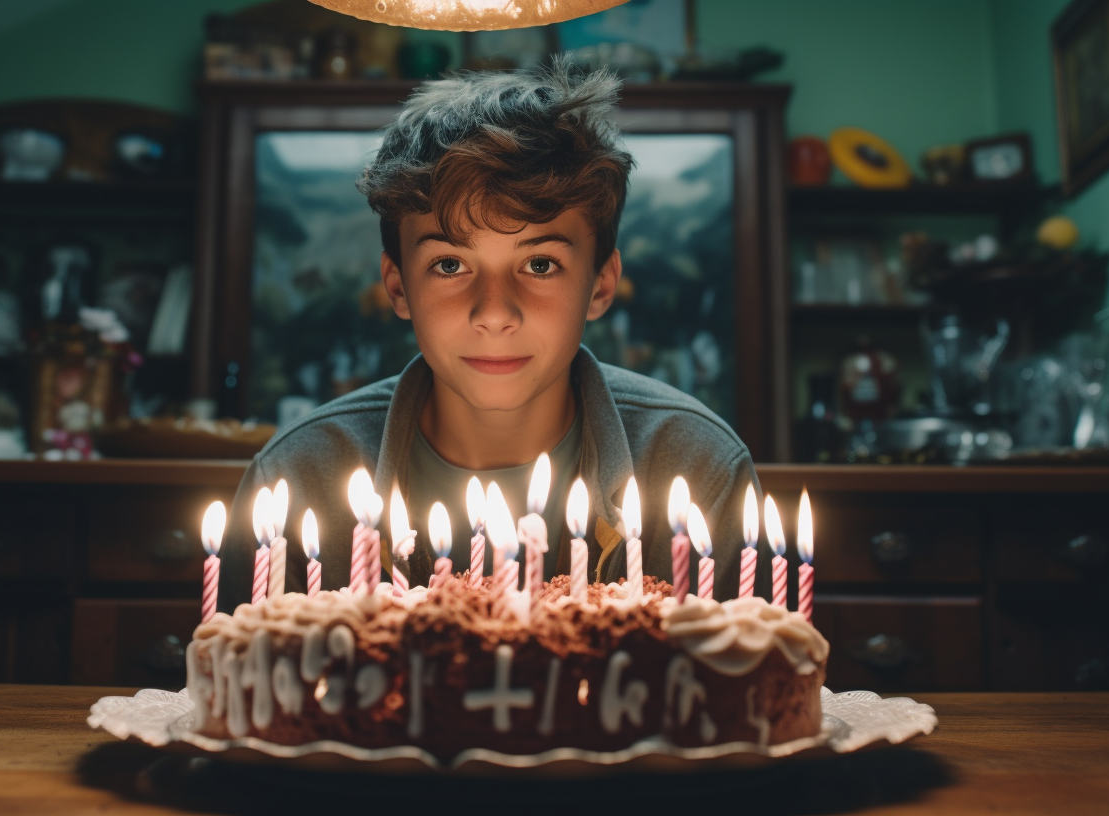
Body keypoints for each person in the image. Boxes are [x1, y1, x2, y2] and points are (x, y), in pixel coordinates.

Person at [217, 61, 761, 609]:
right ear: (398, 286)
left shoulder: (697, 467)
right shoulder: (298, 480)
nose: (495, 313)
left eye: (541, 265)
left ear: (601, 285)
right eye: (450, 265)